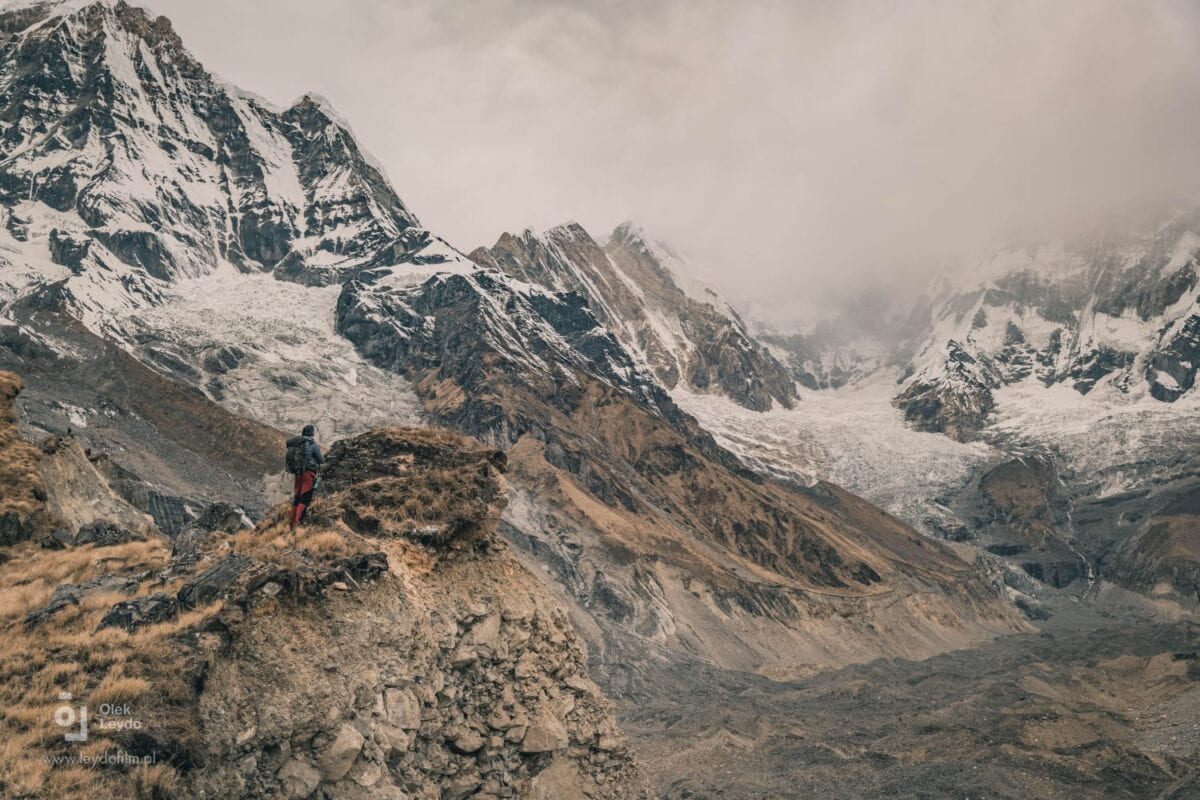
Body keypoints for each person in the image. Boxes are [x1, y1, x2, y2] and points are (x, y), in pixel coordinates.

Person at [287, 424, 324, 529]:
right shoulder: (313, 445)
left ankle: (292, 522)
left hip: (297, 473)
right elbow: (321, 460)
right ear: (312, 434)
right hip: (308, 474)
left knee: (297, 498)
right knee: (305, 498)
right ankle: (297, 523)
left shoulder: (297, 444)